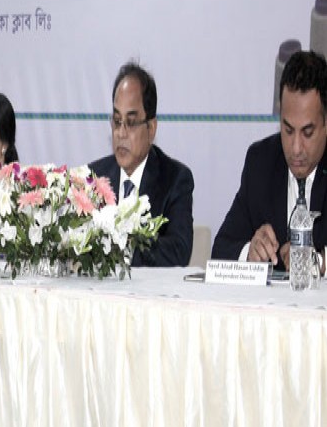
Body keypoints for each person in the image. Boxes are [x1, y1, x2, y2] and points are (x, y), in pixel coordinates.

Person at [213, 50, 327, 270]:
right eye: (288, 130)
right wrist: (250, 252)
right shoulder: (261, 161)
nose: (296, 148)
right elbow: (221, 249)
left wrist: (318, 263)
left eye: (307, 132)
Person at [88, 62, 194, 266]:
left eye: (131, 122)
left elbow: (179, 251)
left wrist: (123, 242)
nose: (121, 133)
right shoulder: (94, 177)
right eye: (117, 121)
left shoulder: (174, 179)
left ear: (151, 128)